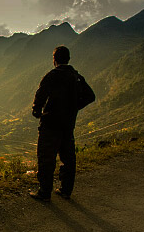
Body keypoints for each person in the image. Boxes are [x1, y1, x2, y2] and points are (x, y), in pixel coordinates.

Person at [30, 45, 95, 202]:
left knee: (47, 159)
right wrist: (74, 108)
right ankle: (66, 190)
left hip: (50, 124)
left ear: (54, 60)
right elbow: (90, 96)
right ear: (68, 59)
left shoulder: (52, 75)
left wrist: (37, 111)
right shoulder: (76, 77)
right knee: (68, 158)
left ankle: (45, 192)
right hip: (68, 124)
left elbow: (40, 96)